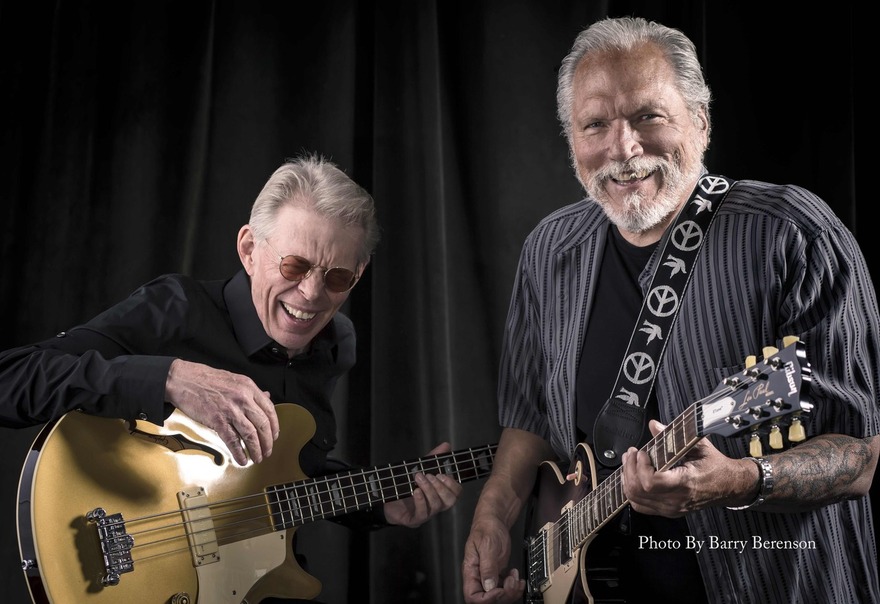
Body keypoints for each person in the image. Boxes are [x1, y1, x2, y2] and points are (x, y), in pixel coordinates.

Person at [462, 16, 879, 604]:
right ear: (572, 142)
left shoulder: (794, 234)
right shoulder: (549, 250)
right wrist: (495, 515)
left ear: (701, 122)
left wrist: (736, 481)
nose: (623, 148)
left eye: (648, 117)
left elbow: (859, 456)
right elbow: (530, 420)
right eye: (596, 124)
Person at [0, 154, 463, 603]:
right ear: (249, 250)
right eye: (294, 266)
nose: (311, 294)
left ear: (357, 276)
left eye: (336, 277)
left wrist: (379, 505)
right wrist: (169, 378)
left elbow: (289, 473)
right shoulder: (176, 310)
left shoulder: (336, 343)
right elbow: (10, 381)